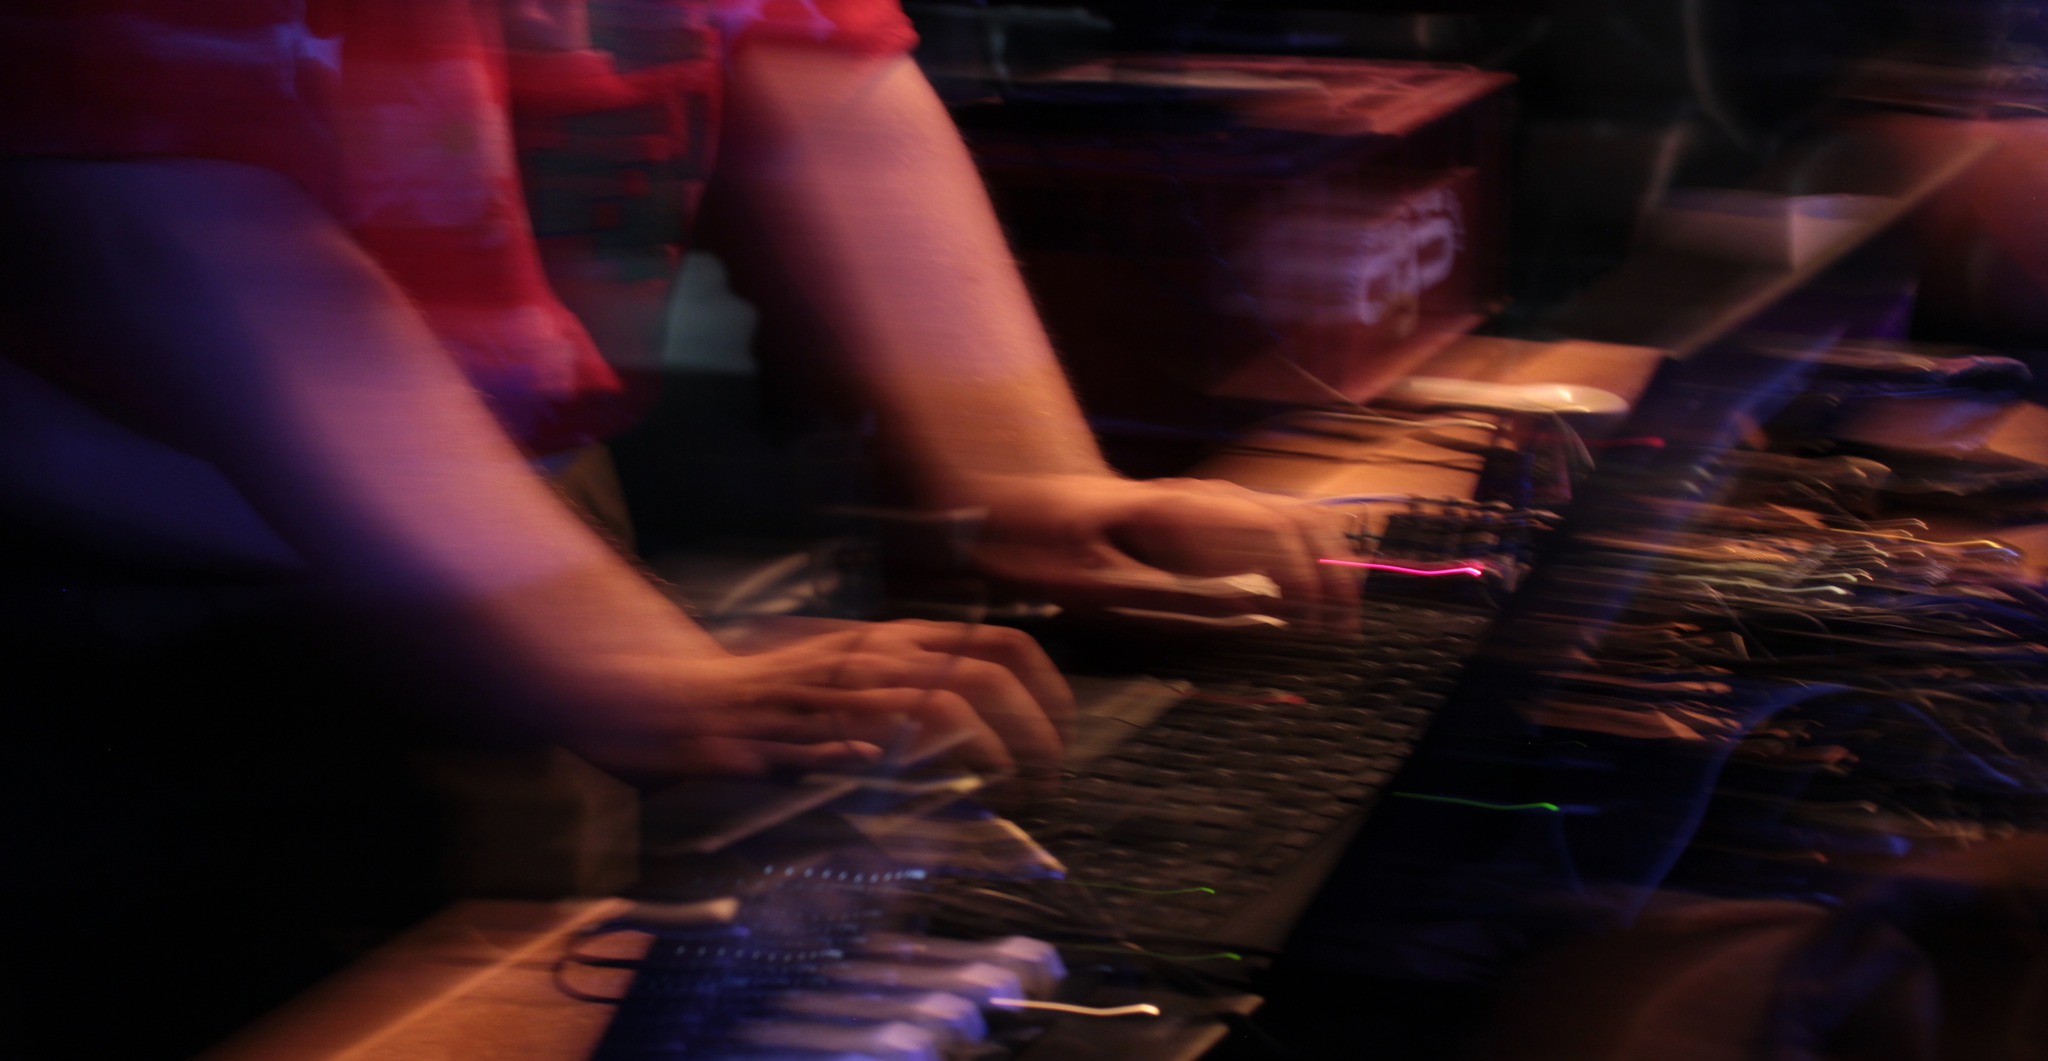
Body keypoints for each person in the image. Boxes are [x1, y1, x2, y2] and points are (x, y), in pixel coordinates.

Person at [0, 0, 1354, 790]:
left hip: (507, 513)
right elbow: (163, 209)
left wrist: (1026, 477)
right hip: (132, 579)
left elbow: (808, 50)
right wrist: (617, 657)